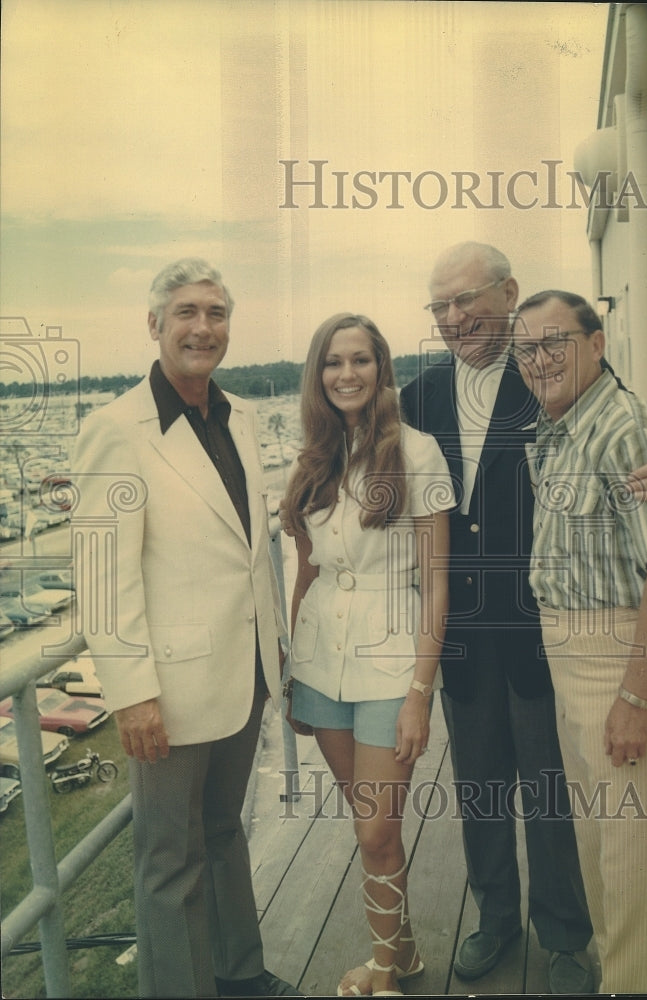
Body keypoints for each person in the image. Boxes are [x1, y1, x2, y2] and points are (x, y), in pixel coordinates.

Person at [397, 242, 647, 994]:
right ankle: (495, 919)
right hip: (465, 639)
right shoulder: (418, 397)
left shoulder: (549, 372)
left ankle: (569, 937)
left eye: (466, 300)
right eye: (439, 307)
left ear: (509, 295)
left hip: (552, 637)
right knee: (479, 792)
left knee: (558, 800)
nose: (453, 318)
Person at [72, 259, 300, 998]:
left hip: (244, 673)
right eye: (187, 313)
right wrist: (133, 694)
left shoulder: (239, 417)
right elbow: (104, 582)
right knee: (170, 858)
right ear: (155, 326)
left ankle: (239, 974)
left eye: (218, 312)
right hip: (169, 690)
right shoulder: (115, 432)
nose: (204, 327)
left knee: (226, 832)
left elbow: (242, 551)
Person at [512, 289, 647, 992]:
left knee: (633, 883)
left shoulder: (625, 430)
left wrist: (632, 697)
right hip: (575, 665)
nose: (540, 359)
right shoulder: (561, 429)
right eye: (525, 348)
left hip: (627, 665)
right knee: (600, 860)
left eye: (554, 340)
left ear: (597, 343)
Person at [281, 313, 453, 998]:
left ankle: (382, 970)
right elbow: (305, 573)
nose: (346, 374)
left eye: (360, 360)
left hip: (391, 661)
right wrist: (293, 674)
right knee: (367, 823)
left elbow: (437, 582)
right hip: (322, 663)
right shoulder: (312, 459)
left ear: (382, 370)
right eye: (332, 361)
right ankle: (402, 951)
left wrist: (419, 692)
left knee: (378, 826)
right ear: (317, 376)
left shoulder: (418, 452)